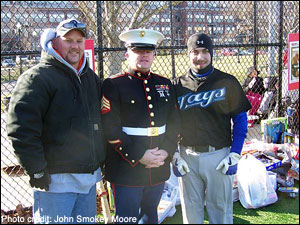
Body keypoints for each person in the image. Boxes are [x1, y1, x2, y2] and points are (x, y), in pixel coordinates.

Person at [6, 19, 106, 224]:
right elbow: (21, 130)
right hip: (55, 182)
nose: (75, 46)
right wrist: (36, 169)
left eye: (79, 40)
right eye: (68, 40)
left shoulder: (90, 78)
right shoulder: (37, 78)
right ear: (55, 42)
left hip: (87, 180)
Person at [101, 28, 179, 224]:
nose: (144, 55)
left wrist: (167, 151)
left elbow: (175, 121)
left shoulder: (164, 83)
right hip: (126, 166)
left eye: (148, 51)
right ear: (128, 54)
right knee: (127, 218)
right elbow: (110, 127)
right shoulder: (113, 84)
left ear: (154, 54)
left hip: (158, 165)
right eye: (138, 51)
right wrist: (139, 155)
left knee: (151, 215)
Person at [172, 33, 251, 224]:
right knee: (191, 213)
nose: (200, 57)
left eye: (205, 51)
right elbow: (170, 123)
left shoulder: (228, 82)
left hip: (219, 156)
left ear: (212, 53)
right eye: (195, 52)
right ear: (188, 54)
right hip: (187, 157)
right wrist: (174, 154)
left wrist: (235, 153)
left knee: (221, 212)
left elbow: (241, 120)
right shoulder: (178, 85)